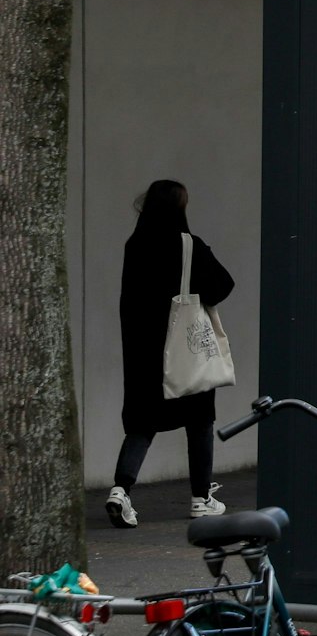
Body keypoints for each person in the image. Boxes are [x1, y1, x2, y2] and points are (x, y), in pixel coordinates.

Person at [106, 180, 233, 527]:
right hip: (185, 348)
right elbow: (222, 285)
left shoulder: (135, 246)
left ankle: (121, 489)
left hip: (144, 352)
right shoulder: (187, 245)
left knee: (142, 424)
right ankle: (200, 498)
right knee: (199, 420)